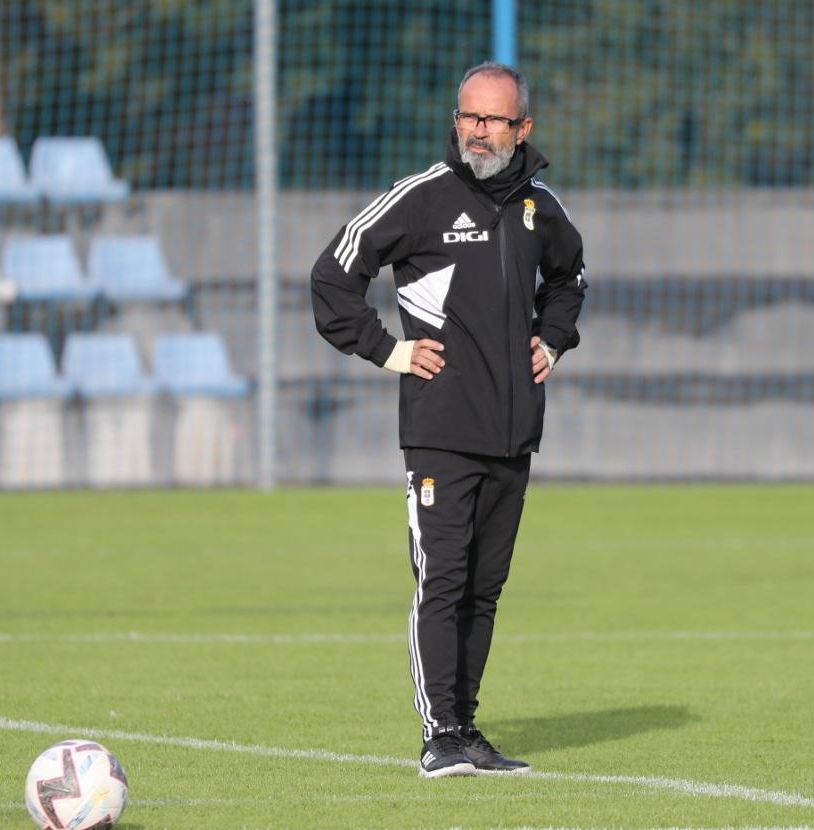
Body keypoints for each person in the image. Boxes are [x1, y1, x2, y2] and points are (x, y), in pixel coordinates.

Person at [310, 61, 587, 778]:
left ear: (523, 128)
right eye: (468, 116)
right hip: (439, 429)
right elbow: (333, 274)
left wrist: (553, 340)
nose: (477, 131)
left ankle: (467, 728)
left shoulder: (540, 208)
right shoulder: (421, 199)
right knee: (443, 580)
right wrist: (387, 350)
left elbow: (570, 278)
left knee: (484, 588)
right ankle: (438, 736)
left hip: (514, 432)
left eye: (493, 119)